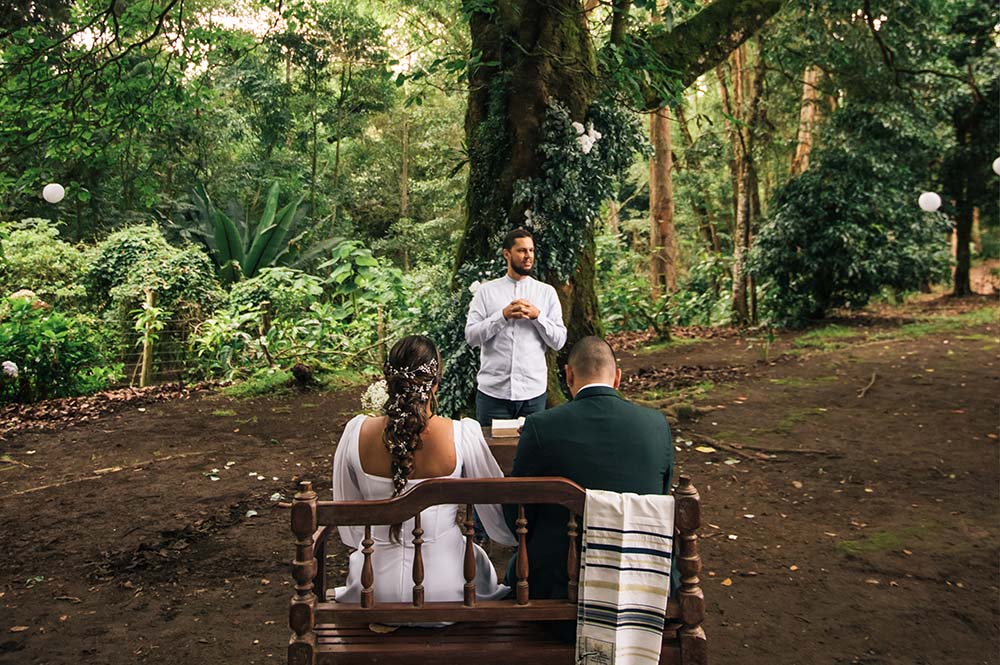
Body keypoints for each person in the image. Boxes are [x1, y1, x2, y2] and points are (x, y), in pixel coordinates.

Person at [504, 336, 674, 635]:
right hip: (644, 591)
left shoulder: (541, 426)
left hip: (558, 593)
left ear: (568, 375)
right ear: (617, 378)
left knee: (515, 566)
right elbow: (658, 498)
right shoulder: (657, 424)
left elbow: (517, 517)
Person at [332, 335, 516, 605]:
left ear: (388, 382)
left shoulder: (356, 432)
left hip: (372, 590)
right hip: (450, 589)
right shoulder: (462, 433)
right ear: (435, 385)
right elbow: (498, 513)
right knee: (476, 562)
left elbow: (349, 522)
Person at [465, 227, 567, 425]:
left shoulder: (546, 293)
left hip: (533, 394)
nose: (528, 256)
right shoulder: (486, 292)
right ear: (506, 254)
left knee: (531, 453)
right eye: (521, 251)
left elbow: (559, 341)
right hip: (493, 394)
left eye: (531, 250)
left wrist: (538, 316)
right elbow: (471, 336)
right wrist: (502, 316)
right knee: (491, 454)